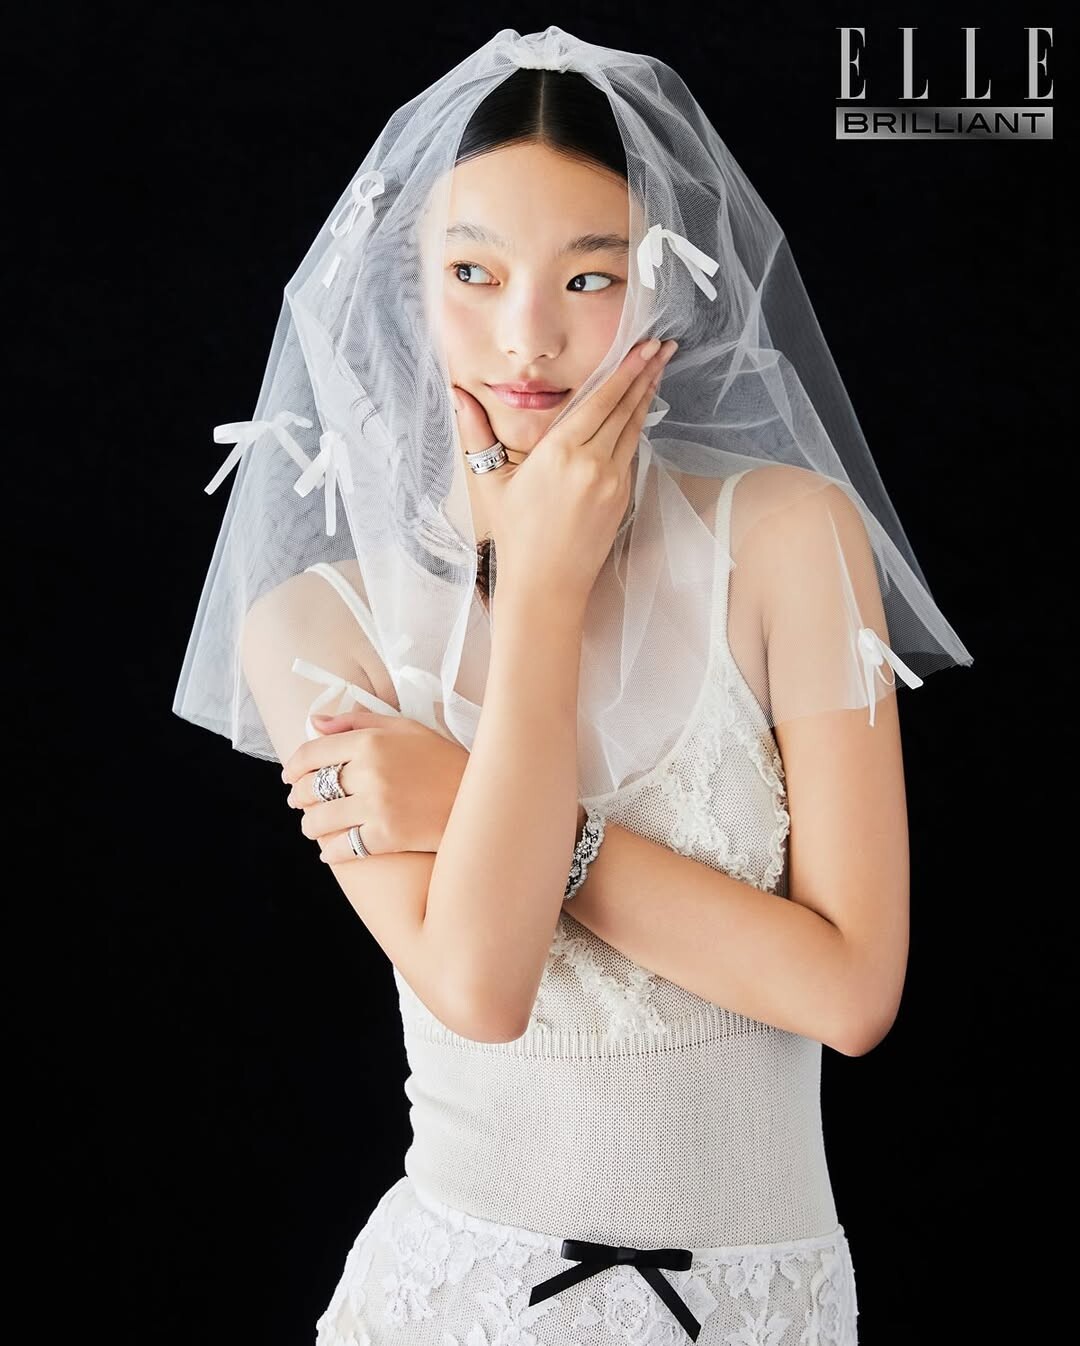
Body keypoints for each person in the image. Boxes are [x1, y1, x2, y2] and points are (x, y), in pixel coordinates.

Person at [173, 25, 973, 1345]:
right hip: (461, 1302)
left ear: (663, 285)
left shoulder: (791, 538)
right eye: (473, 273)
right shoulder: (318, 622)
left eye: (589, 277)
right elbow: (483, 988)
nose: (527, 337)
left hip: (763, 1306)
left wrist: (473, 800)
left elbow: (850, 993)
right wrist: (538, 594)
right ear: (406, 286)